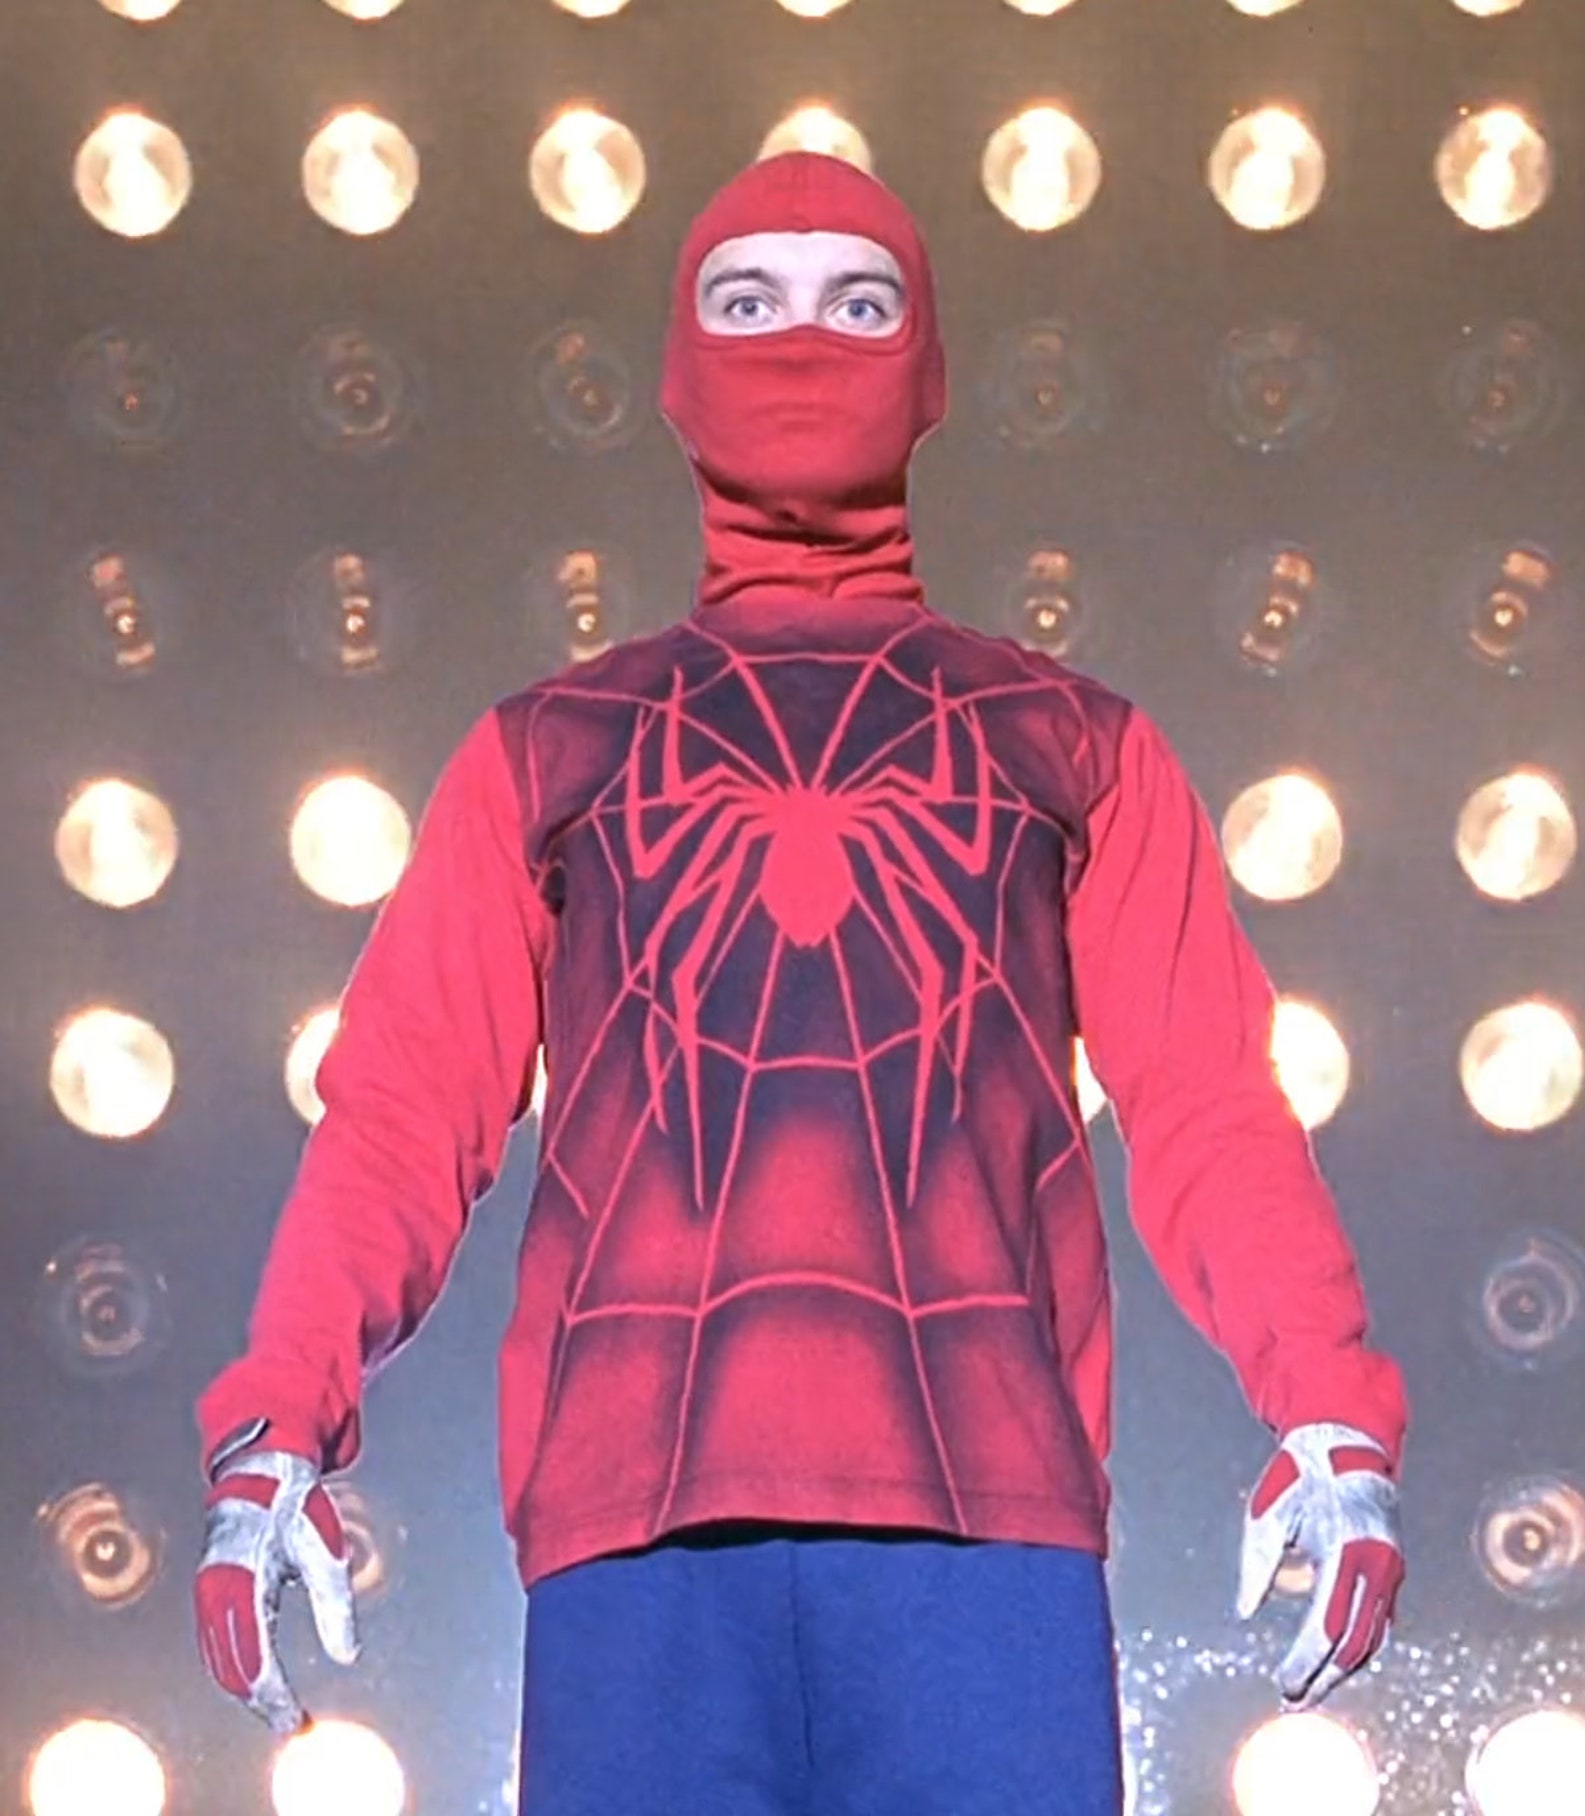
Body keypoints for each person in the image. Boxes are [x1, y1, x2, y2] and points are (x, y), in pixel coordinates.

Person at [194, 152, 1407, 1815]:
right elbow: (406, 1110)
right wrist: (277, 1413)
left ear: (930, 368)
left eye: (860, 300)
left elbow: (1206, 1101)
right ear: (680, 369)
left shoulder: (1071, 743)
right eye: (749, 299)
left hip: (985, 1515)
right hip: (637, 1520)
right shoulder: (552, 749)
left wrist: (1330, 1401)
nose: (803, 340)